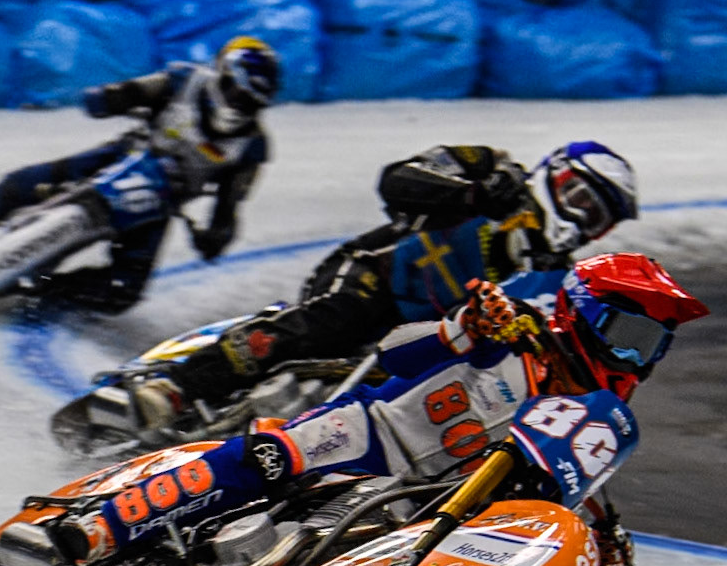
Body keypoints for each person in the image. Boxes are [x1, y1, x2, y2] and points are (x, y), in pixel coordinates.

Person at [26, 253, 707, 566]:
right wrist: (465, 328)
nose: (632, 357)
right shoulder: (512, 324)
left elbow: (568, 474)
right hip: (375, 431)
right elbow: (394, 353)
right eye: (624, 333)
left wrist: (601, 533)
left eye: (649, 345)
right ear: (584, 311)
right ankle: (97, 531)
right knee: (264, 457)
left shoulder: (591, 412)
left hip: (438, 496)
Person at [115, 141, 639, 430]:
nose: (580, 219)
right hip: (377, 276)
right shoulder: (493, 167)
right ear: (556, 174)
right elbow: (397, 179)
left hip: (430, 338)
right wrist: (473, 194)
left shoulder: (557, 277)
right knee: (333, 319)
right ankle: (177, 387)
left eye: (595, 218)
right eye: (580, 199)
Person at [0, 36, 279, 312]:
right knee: (23, 182)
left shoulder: (251, 147)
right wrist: (114, 97)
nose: (236, 105)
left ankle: (44, 292)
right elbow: (124, 92)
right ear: (221, 74)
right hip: (125, 156)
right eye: (234, 90)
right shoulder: (183, 80)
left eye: (248, 102)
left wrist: (214, 237)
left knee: (123, 293)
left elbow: (230, 205)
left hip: (161, 203)